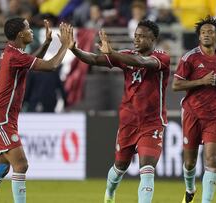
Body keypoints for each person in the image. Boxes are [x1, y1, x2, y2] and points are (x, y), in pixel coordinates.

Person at [69, 20, 170, 203]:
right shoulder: (125, 55)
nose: (137, 39)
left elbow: (142, 62)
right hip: (128, 122)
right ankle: (109, 193)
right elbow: (93, 59)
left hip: (152, 122)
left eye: (142, 36)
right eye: (136, 36)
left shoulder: (162, 57)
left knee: (147, 169)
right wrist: (74, 49)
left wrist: (113, 53)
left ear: (153, 39)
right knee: (120, 167)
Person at [0, 18, 72, 203]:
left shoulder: (13, 54)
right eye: (28, 29)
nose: (31, 31)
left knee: (2, 168)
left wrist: (46, 44)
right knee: (21, 164)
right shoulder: (15, 56)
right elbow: (51, 66)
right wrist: (65, 46)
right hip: (1, 120)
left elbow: (31, 63)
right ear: (21, 34)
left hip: (1, 118)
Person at [172, 16, 216, 203]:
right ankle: (190, 189)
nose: (206, 35)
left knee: (212, 159)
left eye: (210, 32)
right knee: (190, 162)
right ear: (199, 36)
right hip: (192, 113)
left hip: (215, 115)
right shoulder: (189, 57)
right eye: (203, 32)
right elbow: (175, 85)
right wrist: (202, 81)